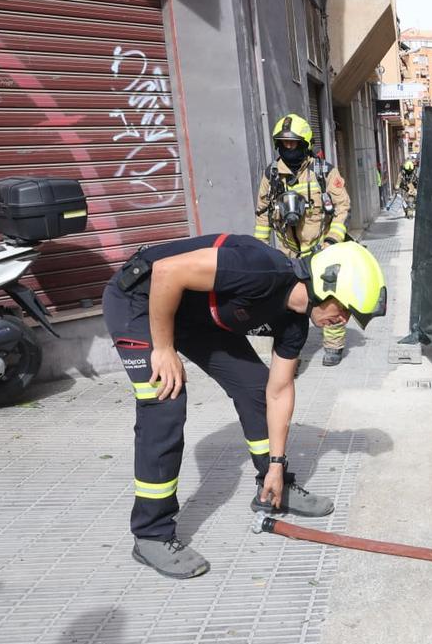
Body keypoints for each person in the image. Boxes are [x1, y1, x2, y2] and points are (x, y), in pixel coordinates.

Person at [103, 235, 387, 579]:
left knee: (255, 387)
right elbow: (167, 271)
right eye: (344, 309)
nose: (342, 320)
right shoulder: (259, 269)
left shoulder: (294, 324)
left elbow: (279, 391)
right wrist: (163, 349)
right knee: (165, 398)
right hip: (139, 300)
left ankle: (271, 487)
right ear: (326, 285)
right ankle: (151, 533)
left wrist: (277, 466)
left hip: (193, 317)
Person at [255, 114, 353, 366]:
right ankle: (290, 355)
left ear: (305, 144)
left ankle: (333, 345)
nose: (289, 148)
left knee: (329, 298)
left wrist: (332, 240)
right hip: (288, 255)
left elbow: (343, 207)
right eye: (284, 144)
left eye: (294, 143)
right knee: (288, 307)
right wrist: (262, 253)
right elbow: (262, 216)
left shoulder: (323, 172)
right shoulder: (272, 175)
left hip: (322, 248)